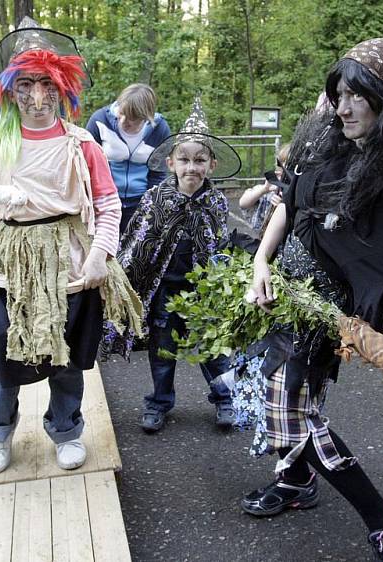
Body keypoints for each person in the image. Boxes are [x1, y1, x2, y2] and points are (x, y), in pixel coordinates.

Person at [245, 39, 383, 561]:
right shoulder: (327, 144)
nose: (342, 107)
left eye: (356, 96)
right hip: (281, 295)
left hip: (324, 312)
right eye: (337, 94)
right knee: (285, 398)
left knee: (291, 413)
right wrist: (259, 263)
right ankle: (295, 480)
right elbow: (289, 206)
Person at [0, 17, 141, 475]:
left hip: (70, 264)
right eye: (25, 83)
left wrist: (101, 254)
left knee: (66, 358)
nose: (37, 95)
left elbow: (107, 204)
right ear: (10, 89)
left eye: (46, 83)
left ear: (62, 88)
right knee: (3, 355)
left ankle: (66, 430)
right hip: (12, 268)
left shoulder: (81, 144)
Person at [110, 95, 242, 433]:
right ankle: (159, 402)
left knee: (214, 350)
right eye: (184, 160)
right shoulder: (156, 198)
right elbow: (138, 242)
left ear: (211, 165)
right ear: (170, 163)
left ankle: (225, 398)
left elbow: (219, 245)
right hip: (165, 288)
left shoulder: (214, 201)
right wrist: (122, 279)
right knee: (163, 351)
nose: (191, 167)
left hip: (204, 291)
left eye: (200, 161)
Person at [86, 83, 172, 233]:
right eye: (121, 113)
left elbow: (158, 173)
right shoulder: (99, 121)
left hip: (140, 202)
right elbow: (86, 164)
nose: (123, 121)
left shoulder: (160, 129)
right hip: (105, 202)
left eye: (132, 118)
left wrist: (151, 205)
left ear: (146, 117)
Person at [239, 143, 289, 233]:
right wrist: (264, 189)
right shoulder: (271, 189)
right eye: (282, 168)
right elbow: (243, 203)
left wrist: (283, 207)